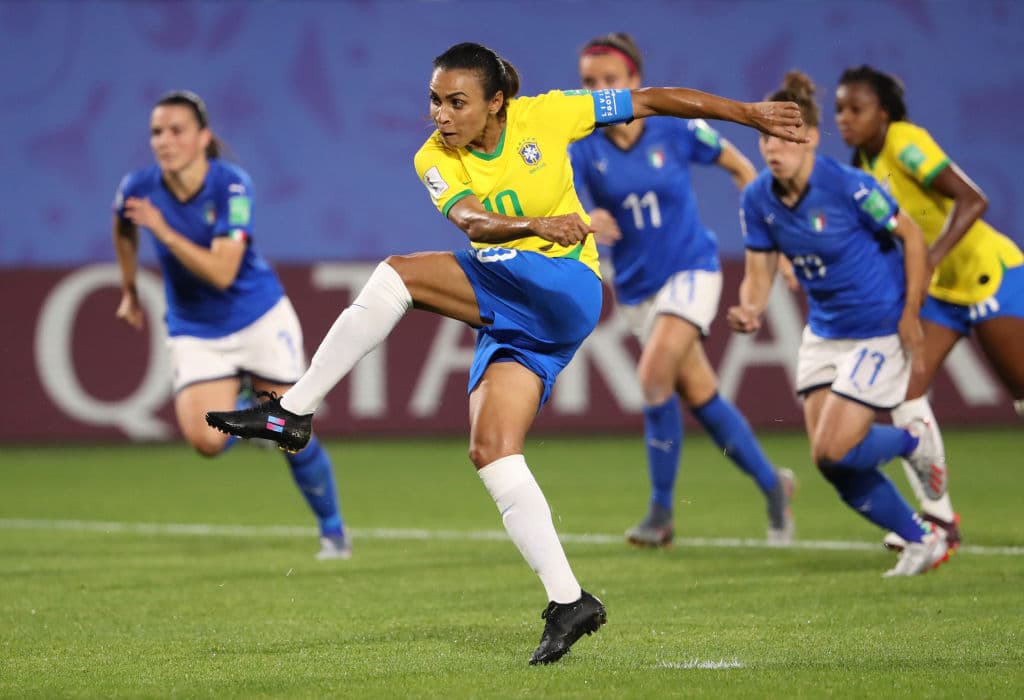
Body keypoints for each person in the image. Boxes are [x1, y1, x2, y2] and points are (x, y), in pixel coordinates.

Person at [205, 42, 804, 663]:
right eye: (435, 100)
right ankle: (570, 600)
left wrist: (747, 113)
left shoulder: (548, 114)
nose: (441, 114)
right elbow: (470, 221)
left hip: (566, 288)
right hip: (517, 310)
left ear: (497, 104)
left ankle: (294, 411)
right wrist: (538, 225)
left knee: (398, 275)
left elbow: (651, 100)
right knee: (491, 450)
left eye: (457, 102)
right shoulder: (433, 157)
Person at [568, 33, 795, 548]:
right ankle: (773, 485)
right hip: (636, 289)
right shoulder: (581, 145)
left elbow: (741, 168)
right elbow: (566, 205)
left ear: (633, 84)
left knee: (652, 379)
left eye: (609, 81)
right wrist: (585, 218)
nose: (598, 91)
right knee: (701, 393)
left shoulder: (676, 129)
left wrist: (771, 231)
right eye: (588, 82)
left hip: (692, 268)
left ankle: (660, 514)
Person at [112, 90, 351, 561]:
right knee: (204, 441)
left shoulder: (231, 186)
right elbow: (123, 225)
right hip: (196, 329)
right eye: (156, 132)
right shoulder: (138, 187)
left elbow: (222, 271)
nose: (164, 141)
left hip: (257, 316)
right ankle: (248, 406)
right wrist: (129, 289)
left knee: (290, 430)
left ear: (203, 137)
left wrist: (162, 231)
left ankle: (333, 531)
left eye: (176, 130)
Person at [727, 71, 948, 577]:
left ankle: (914, 443)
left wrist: (912, 312)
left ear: (809, 138)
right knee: (830, 462)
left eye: (784, 137)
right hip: (824, 333)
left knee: (836, 446)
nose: (772, 148)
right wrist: (751, 308)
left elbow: (911, 239)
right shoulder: (757, 199)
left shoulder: (849, 188)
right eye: (764, 137)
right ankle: (922, 539)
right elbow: (759, 271)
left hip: (877, 327)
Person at [835, 65, 1024, 553]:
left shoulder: (904, 140)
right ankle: (940, 519)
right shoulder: (862, 166)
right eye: (839, 109)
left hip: (991, 275)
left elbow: (973, 199)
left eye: (856, 109)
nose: (844, 119)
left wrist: (931, 259)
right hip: (942, 293)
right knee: (905, 393)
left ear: (884, 113)